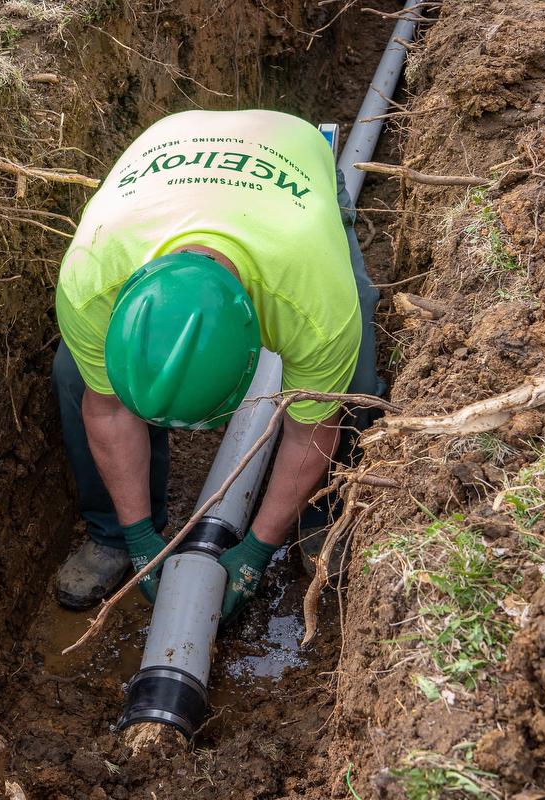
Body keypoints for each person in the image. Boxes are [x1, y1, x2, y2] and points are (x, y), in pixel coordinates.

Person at [52, 109, 383, 621]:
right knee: (76, 379)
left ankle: (321, 513)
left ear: (256, 344)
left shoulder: (312, 302)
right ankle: (114, 535)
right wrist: (141, 539)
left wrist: (254, 552)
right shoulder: (91, 278)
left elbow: (308, 432)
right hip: (169, 144)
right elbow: (110, 410)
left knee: (353, 380)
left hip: (289, 151)